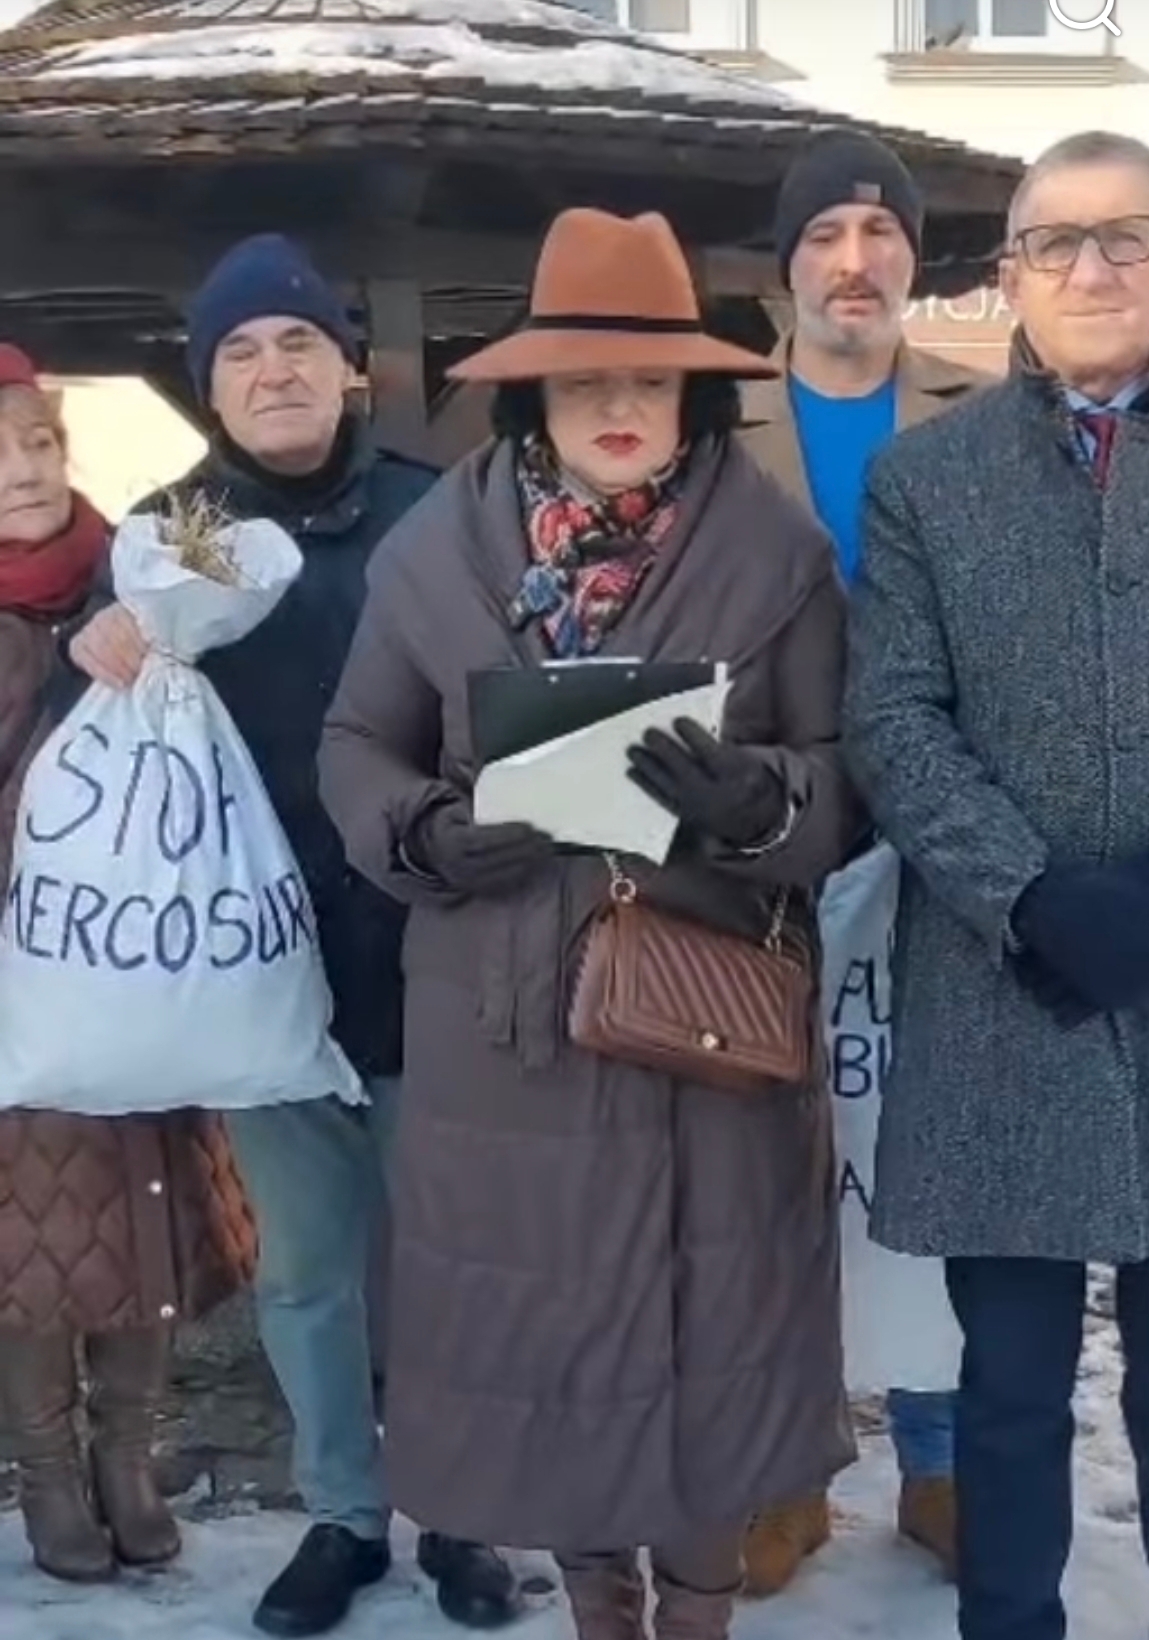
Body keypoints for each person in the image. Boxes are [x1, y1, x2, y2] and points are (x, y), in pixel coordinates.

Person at [319, 206, 862, 1640]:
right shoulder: (434, 552)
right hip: (505, 1037)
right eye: (584, 379)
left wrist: (760, 798)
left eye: (651, 379)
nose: (620, 405)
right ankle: (599, 1606)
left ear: (695, 393)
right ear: (532, 394)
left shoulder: (779, 554)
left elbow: (846, 780)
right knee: (548, 1350)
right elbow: (358, 742)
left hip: (705, 1031)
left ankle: (697, 1610)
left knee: (710, 1349)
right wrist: (422, 830)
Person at [69, 235, 516, 1638]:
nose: (274, 372)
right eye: (242, 353)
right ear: (210, 386)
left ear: (350, 366)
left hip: (430, 952)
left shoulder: (439, 511)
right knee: (310, 1267)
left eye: (298, 344)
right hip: (259, 974)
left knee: (447, 1260)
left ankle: (460, 1511)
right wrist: (98, 643)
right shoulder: (164, 537)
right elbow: (103, 709)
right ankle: (343, 1513)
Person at [845, 129, 1149, 1640]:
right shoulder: (927, 477)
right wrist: (1028, 892)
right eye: (1056, 243)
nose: (1093, 269)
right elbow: (893, 718)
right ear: (1011, 276)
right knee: (1011, 1393)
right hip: (1002, 987)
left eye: (1127, 237)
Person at [738, 128, 983, 1595]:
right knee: (779, 1153)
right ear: (786, 268)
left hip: (943, 840)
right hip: (771, 840)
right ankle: (788, 1467)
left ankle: (940, 1466)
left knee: (924, 1150)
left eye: (879, 232)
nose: (853, 259)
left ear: (911, 260)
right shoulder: (718, 423)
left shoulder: (984, 411)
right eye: (824, 234)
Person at [0, 343, 253, 1586]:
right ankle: (48, 1471)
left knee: (140, 1221)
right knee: (33, 1238)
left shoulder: (140, 574)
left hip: (143, 960)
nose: (23, 469)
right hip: (22, 980)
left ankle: (127, 1454)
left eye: (38, 441)